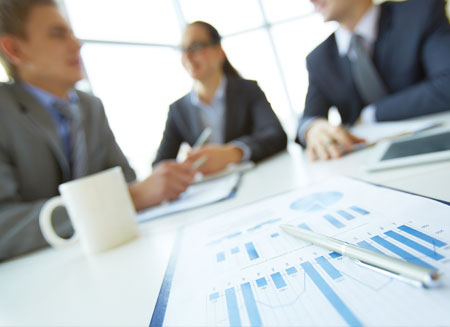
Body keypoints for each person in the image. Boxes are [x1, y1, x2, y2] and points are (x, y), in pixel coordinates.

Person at [0, 0, 195, 261]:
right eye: (58, 34)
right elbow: (5, 226)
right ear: (14, 49)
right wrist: (123, 200)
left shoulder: (90, 106)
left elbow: (124, 178)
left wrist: (137, 192)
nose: (77, 44)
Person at [297, 0, 450, 161]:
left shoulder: (420, 14)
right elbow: (308, 119)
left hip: (433, 149)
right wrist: (312, 128)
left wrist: (371, 114)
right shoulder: (319, 59)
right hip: (364, 162)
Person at [153, 21, 287, 175]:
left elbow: (276, 135)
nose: (187, 56)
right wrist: (180, 168)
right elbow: (159, 165)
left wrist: (233, 153)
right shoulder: (177, 110)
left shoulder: (248, 90)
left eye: (196, 46)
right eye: (183, 49)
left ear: (219, 52)